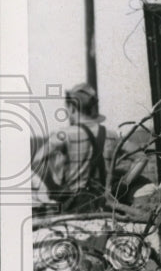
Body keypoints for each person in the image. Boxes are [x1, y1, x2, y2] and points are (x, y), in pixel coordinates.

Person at [32, 83, 115, 213]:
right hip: (107, 205)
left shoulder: (64, 134)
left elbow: (37, 160)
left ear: (72, 107)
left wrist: (56, 182)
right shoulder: (112, 135)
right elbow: (141, 158)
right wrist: (125, 183)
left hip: (76, 207)